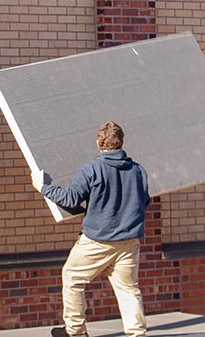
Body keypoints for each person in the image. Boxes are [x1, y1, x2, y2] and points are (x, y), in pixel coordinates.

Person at [32, 121, 150, 337]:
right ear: (121, 143)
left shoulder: (92, 170)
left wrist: (42, 187)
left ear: (98, 143)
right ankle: (137, 334)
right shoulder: (138, 171)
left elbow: (70, 198)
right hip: (129, 242)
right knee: (128, 289)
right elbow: (144, 201)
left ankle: (76, 332)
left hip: (97, 240)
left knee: (72, 278)